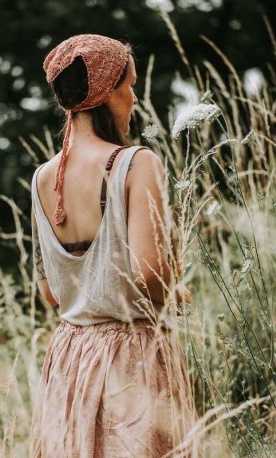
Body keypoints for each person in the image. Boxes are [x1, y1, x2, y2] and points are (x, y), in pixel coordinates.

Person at [29, 34, 201, 457]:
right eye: (130, 85)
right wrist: (173, 290)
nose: (135, 99)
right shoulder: (136, 163)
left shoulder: (42, 178)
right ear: (107, 92)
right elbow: (147, 275)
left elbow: (49, 291)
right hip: (132, 356)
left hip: (70, 355)